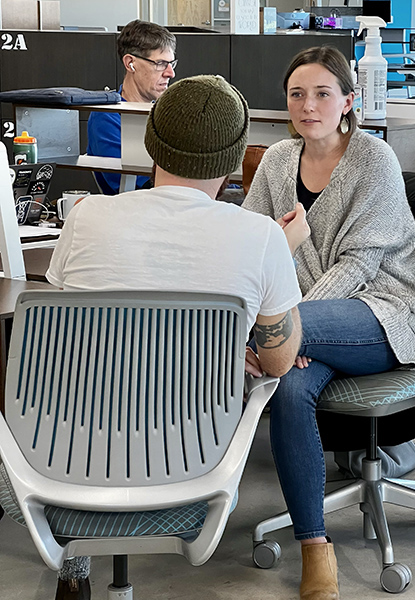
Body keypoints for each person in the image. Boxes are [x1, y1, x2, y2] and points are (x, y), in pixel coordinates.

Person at [20, 75, 305, 600]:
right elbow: (281, 361)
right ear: (234, 159)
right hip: (191, 464)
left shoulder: (85, 219)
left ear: (151, 142)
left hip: (69, 458)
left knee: (96, 379)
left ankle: (77, 561)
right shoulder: (262, 236)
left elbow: (64, 337)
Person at [242, 46, 415, 600]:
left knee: (278, 352)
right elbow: (253, 245)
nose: (308, 105)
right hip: (302, 321)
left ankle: (281, 343)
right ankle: (314, 546)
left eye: (323, 93)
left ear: (348, 101)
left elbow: (361, 264)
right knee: (289, 388)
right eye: (297, 94)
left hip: (382, 311)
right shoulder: (278, 160)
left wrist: (289, 326)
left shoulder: (372, 158)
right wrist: (289, 331)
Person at [87, 20, 177, 195]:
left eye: (171, 64)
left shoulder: (168, 114)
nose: (170, 73)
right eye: (160, 64)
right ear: (130, 63)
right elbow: (132, 185)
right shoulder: (106, 116)